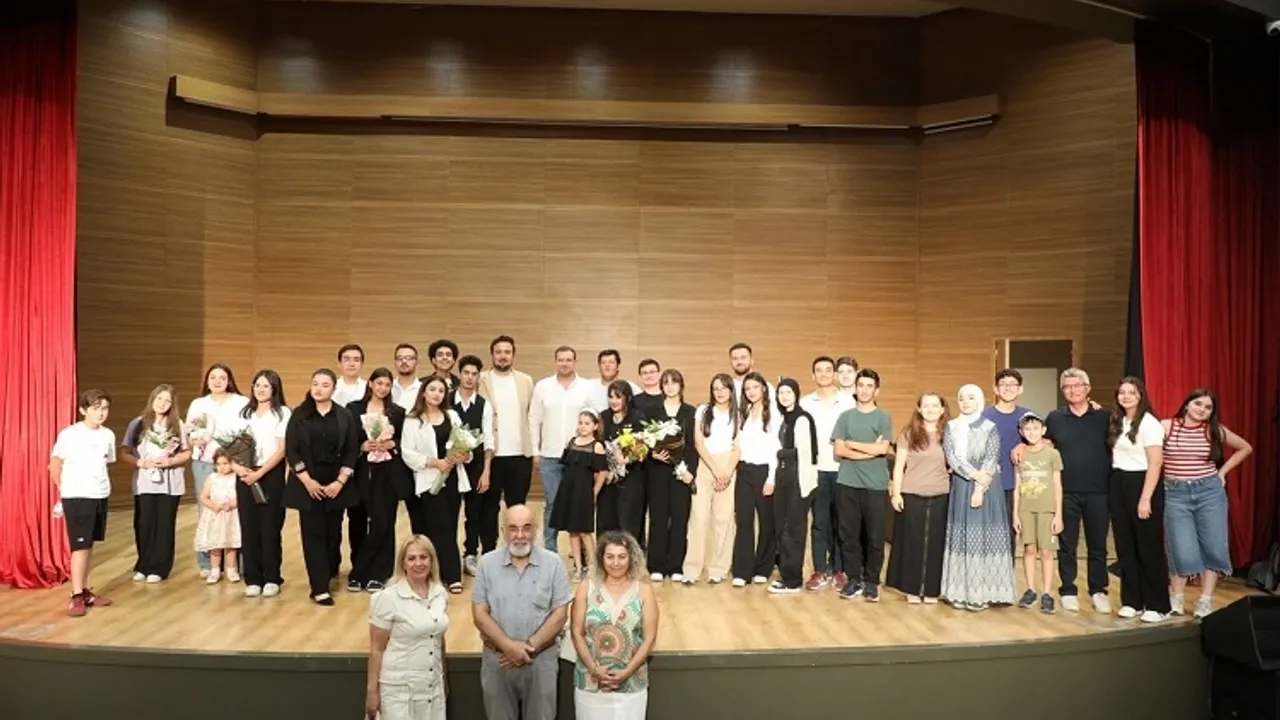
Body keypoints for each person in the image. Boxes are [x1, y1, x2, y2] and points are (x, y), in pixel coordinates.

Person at [471, 505, 572, 720]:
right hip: (497, 660)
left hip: (541, 662)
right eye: (513, 528)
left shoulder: (554, 564)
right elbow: (479, 614)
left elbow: (560, 615)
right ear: (503, 531)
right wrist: (508, 647)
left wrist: (527, 650)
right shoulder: (486, 564)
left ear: (535, 530)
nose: (520, 535)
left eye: (526, 528)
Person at [1162, 388, 1252, 619]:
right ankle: (1176, 597)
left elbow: (1245, 447)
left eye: (1208, 407)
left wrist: (1222, 472)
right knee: (1180, 547)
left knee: (1213, 546)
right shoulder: (1167, 426)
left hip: (1209, 493)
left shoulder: (1214, 430)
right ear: (1187, 405)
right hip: (1176, 494)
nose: (1202, 410)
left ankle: (1205, 600)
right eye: (1198, 404)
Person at [284, 368, 361, 606]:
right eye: (315, 383)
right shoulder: (299, 414)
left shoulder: (344, 415)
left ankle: (327, 574)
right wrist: (307, 480)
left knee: (333, 534)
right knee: (313, 534)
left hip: (336, 484)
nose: (318, 389)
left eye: (325, 385)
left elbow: (351, 450)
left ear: (334, 389)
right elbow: (292, 450)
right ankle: (319, 588)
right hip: (308, 482)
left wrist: (340, 481)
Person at [1041, 368, 1112, 614]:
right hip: (1065, 492)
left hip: (1099, 491)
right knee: (1067, 545)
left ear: (1087, 388)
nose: (1072, 390)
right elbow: (1042, 443)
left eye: (1077, 385)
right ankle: (1068, 590)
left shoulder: (1105, 417)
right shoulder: (1055, 418)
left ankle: (1098, 590)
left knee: (1098, 545)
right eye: (1067, 387)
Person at [941, 384, 1016, 611]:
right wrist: (974, 476)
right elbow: (952, 458)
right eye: (961, 398)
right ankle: (960, 591)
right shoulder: (951, 427)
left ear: (980, 400)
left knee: (982, 535)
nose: (965, 402)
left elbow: (991, 459)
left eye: (971, 398)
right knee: (963, 535)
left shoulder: (989, 427)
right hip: (962, 483)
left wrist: (979, 489)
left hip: (987, 486)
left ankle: (982, 593)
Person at [570, 531, 659, 720]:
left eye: (622, 557)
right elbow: (576, 633)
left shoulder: (644, 590)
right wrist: (594, 669)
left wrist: (627, 672)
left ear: (631, 558)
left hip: (631, 686)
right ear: (601, 558)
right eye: (610, 557)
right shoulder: (586, 587)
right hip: (590, 684)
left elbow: (650, 638)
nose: (616, 563)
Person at [402, 376, 472, 594]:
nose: (436, 394)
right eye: (432, 389)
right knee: (438, 528)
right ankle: (448, 576)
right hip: (428, 480)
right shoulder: (413, 420)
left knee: (449, 526)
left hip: (453, 479)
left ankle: (443, 574)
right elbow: (408, 453)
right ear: (423, 392)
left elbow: (465, 445)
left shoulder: (452, 416)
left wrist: (464, 456)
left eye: (441, 391)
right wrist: (434, 463)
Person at [366, 535, 450, 720]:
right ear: (402, 563)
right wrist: (372, 692)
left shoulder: (440, 594)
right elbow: (376, 649)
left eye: (423, 557)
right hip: (398, 692)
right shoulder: (387, 598)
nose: (418, 563)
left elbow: (438, 639)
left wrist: (443, 679)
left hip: (432, 688)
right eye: (411, 558)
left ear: (432, 561)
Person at [1107, 377, 1169, 622]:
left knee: (1148, 546)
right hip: (1119, 481)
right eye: (1121, 392)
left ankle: (1158, 605)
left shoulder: (1149, 423)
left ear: (1141, 395)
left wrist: (1145, 499)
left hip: (1142, 483)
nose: (1126, 396)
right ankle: (1132, 601)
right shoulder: (1117, 421)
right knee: (1125, 546)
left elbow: (1156, 462)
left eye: (1131, 392)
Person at [50, 389, 116, 617]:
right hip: (77, 496)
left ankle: (85, 590)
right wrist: (64, 490)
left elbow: (106, 462)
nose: (101, 413)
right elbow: (55, 464)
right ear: (83, 410)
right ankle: (76, 594)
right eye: (96, 408)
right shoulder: (70, 434)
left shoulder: (108, 435)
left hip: (100, 495)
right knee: (79, 547)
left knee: (89, 545)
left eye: (105, 408)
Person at [120, 384, 191, 584]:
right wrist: (141, 463)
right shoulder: (138, 424)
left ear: (172, 404)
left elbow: (186, 452)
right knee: (143, 524)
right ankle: (143, 565)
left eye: (167, 400)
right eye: (159, 399)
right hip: (144, 483)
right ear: (152, 399)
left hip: (170, 483)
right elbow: (124, 452)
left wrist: (170, 461)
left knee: (164, 525)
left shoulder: (178, 425)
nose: (162, 403)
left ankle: (159, 568)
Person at [832, 369, 893, 601]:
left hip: (875, 485)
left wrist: (852, 444)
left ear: (876, 391)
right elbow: (839, 450)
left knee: (875, 536)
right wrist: (869, 450)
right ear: (855, 389)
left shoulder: (883, 417)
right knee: (849, 535)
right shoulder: (845, 417)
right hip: (847, 483)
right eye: (861, 385)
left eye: (869, 386)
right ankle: (854, 578)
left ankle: (872, 581)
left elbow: (883, 448)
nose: (865, 390)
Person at [885, 392, 951, 604]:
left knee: (936, 544)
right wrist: (896, 493)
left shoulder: (950, 434)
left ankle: (932, 590)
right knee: (912, 543)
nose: (930, 409)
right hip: (912, 494)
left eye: (935, 405)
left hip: (941, 495)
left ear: (942, 410)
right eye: (926, 405)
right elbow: (898, 466)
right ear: (919, 409)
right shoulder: (908, 434)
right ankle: (912, 588)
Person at [529, 346, 595, 554]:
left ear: (575, 362)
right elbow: (534, 419)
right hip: (550, 455)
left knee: (579, 504)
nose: (564, 363)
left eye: (568, 360)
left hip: (579, 456)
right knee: (552, 503)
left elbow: (594, 420)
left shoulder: (586, 387)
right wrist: (535, 451)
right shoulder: (542, 387)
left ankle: (580, 554)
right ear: (555, 361)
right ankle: (550, 550)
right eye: (560, 360)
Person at [185, 363, 249, 577]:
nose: (217, 381)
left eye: (222, 377)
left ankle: (236, 564)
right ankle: (207, 564)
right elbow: (190, 432)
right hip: (204, 462)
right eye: (213, 377)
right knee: (208, 511)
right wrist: (194, 440)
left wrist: (237, 461)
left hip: (233, 464)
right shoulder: (198, 403)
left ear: (229, 380)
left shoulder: (241, 402)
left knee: (235, 511)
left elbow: (247, 432)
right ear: (207, 380)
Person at [348, 367, 408, 593]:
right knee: (358, 522)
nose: (383, 388)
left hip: (388, 472)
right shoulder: (353, 409)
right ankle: (358, 569)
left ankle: (378, 572)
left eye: (387, 385)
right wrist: (362, 446)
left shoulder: (397, 412)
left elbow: (404, 439)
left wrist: (392, 444)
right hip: (361, 471)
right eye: (379, 383)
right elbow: (347, 439)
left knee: (384, 523)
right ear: (371, 383)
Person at [235, 369, 290, 598]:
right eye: (257, 385)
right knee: (249, 527)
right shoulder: (244, 413)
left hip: (270, 474)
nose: (260, 389)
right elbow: (234, 444)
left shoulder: (282, 413)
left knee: (270, 527)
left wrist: (260, 473)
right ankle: (253, 578)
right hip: (244, 474)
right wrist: (238, 468)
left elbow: (281, 450)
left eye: (266, 385)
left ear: (274, 388)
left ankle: (271, 577)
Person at [800, 356, 853, 591]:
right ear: (813, 375)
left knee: (841, 523)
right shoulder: (805, 403)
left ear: (834, 374)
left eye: (828, 370)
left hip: (842, 469)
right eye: (819, 370)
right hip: (816, 470)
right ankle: (819, 569)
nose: (823, 374)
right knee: (819, 523)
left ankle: (839, 570)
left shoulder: (848, 402)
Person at [681, 373, 739, 585]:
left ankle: (719, 568)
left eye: (724, 388)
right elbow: (698, 442)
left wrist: (727, 472)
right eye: (716, 388)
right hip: (706, 465)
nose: (720, 392)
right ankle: (692, 569)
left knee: (723, 520)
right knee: (698, 518)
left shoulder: (738, 414)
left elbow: (737, 447)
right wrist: (715, 470)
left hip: (729, 466)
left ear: (731, 390)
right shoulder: (703, 411)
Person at [477, 335, 535, 536]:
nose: (503, 356)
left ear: (513, 355)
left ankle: (518, 546)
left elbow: (532, 415)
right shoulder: (480, 379)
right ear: (492, 355)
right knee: (488, 508)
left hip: (520, 455)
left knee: (517, 508)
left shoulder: (526, 381)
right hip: (491, 456)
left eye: (507, 352)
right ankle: (489, 549)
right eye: (498, 352)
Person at [645, 369, 698, 582]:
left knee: (679, 518)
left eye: (674, 382)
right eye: (666, 382)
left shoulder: (690, 412)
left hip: (682, 473)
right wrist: (652, 454)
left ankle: (676, 565)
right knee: (658, 518)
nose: (670, 386)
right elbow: (643, 441)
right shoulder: (652, 411)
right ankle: (656, 565)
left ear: (681, 385)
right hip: (658, 471)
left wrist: (690, 472)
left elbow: (694, 445)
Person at [769, 378, 818, 594]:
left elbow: (803, 453)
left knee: (793, 530)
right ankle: (787, 574)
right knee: (781, 528)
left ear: (796, 394)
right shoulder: (783, 419)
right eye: (781, 392)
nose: (784, 396)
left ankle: (793, 580)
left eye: (788, 392)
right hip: (783, 477)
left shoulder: (802, 418)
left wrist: (776, 452)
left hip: (799, 479)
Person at [732, 372, 780, 588]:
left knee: (766, 521)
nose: (751, 392)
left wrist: (772, 478)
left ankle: (763, 568)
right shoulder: (745, 412)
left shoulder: (773, 414)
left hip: (765, 471)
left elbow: (776, 448)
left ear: (764, 389)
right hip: (744, 470)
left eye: (755, 387)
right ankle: (742, 570)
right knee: (743, 520)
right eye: (747, 388)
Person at [1012, 412, 1063, 614]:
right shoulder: (1020, 455)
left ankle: (1047, 592)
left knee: (1047, 551)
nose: (1031, 432)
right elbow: (1017, 486)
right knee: (1029, 549)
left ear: (1043, 430)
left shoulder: (1052, 454)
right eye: (1027, 429)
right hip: (1026, 509)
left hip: (1047, 509)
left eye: (1035, 428)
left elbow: (1057, 485)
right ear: (1021, 432)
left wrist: (1058, 514)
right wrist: (1015, 513)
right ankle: (1031, 589)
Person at [549, 410, 608, 581]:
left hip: (584, 492)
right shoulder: (572, 442)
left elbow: (603, 471)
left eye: (587, 423)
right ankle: (578, 567)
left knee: (584, 531)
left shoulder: (597, 446)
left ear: (595, 426)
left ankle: (594, 567)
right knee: (572, 531)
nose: (583, 426)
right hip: (568, 490)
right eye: (580, 422)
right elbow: (566, 466)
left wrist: (594, 492)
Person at [455, 355, 496, 578]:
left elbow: (488, 440)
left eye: (474, 374)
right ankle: (446, 556)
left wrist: (486, 471)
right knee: (448, 513)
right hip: (448, 466)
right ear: (459, 374)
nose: (470, 378)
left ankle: (470, 553)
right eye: (466, 373)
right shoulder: (446, 400)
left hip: (475, 465)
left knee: (474, 513)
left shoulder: (483, 405)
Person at [983, 369, 1032, 554]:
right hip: (990, 484)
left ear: (1020, 389)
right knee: (988, 536)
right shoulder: (984, 417)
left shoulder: (1027, 416)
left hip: (1016, 486)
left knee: (1010, 536)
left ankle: (1007, 573)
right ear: (996, 389)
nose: (1007, 388)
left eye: (1012, 385)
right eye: (1003, 385)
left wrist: (1023, 445)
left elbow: (1046, 441)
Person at [597, 381, 647, 542]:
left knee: (628, 524)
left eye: (618, 397)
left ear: (627, 397)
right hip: (607, 481)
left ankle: (631, 556)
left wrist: (627, 458)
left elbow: (643, 449)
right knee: (606, 524)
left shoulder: (638, 418)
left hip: (631, 480)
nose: (614, 401)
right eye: (610, 397)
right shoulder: (603, 417)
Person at [194, 449, 242, 584]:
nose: (222, 467)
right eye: (218, 464)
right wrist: (212, 505)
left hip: (230, 515)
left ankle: (231, 569)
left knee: (230, 544)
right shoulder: (212, 478)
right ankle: (215, 570)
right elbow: (204, 496)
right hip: (215, 516)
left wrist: (232, 504)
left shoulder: (235, 478)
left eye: (225, 463)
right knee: (215, 545)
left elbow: (241, 496)